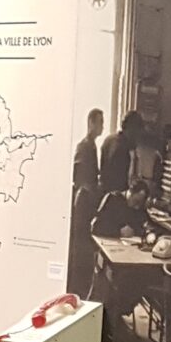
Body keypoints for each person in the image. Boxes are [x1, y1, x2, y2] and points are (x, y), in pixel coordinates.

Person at [66, 108, 104, 299]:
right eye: (100, 122)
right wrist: (89, 190)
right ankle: (77, 291)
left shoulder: (92, 146)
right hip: (82, 202)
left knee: (85, 247)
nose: (102, 126)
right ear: (91, 123)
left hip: (87, 201)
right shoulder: (84, 146)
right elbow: (79, 175)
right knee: (80, 248)